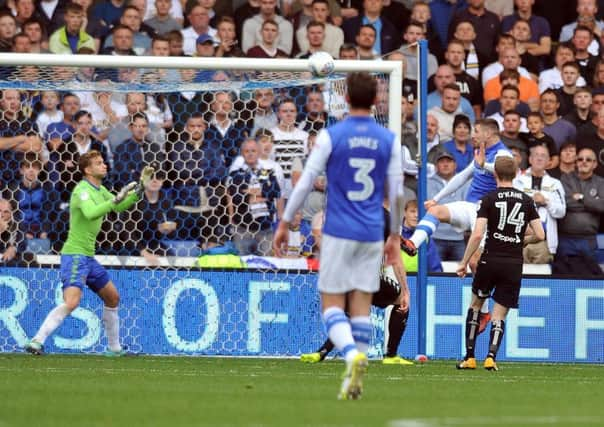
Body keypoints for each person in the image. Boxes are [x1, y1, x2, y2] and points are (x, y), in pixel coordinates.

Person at [273, 71, 404, 400]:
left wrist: (286, 221)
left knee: (332, 305)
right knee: (361, 306)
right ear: (376, 100)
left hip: (338, 230)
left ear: (346, 99)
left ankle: (351, 354)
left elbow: (305, 181)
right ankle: (355, 377)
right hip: (372, 232)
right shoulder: (389, 141)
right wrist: (395, 236)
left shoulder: (332, 135)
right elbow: (398, 193)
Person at [24, 151, 154, 356]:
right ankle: (36, 341)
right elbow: (91, 212)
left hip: (88, 257)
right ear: (87, 169)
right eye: (99, 163)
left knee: (112, 297)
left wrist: (140, 188)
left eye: (104, 162)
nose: (105, 166)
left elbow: (120, 206)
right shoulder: (81, 191)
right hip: (75, 255)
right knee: (72, 302)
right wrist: (114, 200)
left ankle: (114, 349)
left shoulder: (100, 189)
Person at [404, 119, 514, 330]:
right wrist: (437, 198)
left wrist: (485, 166)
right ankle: (412, 244)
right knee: (435, 211)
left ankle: (483, 312)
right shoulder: (480, 152)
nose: (473, 134)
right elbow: (462, 177)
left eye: (477, 131)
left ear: (489, 134)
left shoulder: (503, 155)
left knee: (475, 263)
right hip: (470, 207)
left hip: (488, 212)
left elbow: (506, 172)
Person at [456, 156, 544, 371]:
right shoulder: (526, 200)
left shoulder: (488, 199)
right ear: (516, 174)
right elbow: (540, 234)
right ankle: (491, 357)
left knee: (476, 305)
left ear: (495, 173)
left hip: (490, 259)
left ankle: (469, 357)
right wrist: (519, 239)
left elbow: (477, 235)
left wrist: (464, 261)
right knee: (500, 313)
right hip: (513, 263)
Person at [300, 206, 411, 365]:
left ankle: (321, 352)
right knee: (402, 301)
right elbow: (395, 258)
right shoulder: (387, 218)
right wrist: (406, 290)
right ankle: (391, 356)